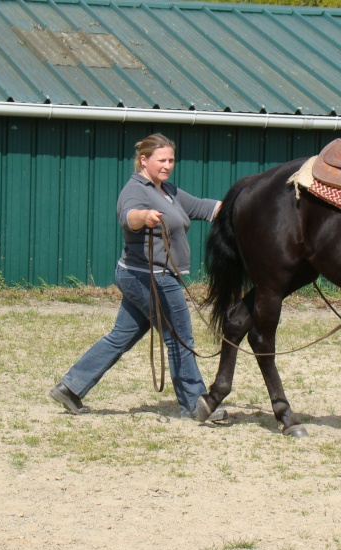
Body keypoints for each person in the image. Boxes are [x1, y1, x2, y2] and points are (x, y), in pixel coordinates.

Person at [49, 133, 226, 421]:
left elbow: (204, 208)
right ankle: (195, 404)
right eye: (161, 160)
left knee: (121, 336)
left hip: (144, 276)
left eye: (171, 159)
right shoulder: (136, 189)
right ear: (144, 160)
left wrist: (241, 203)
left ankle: (70, 387)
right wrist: (142, 217)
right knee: (179, 338)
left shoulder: (168, 191)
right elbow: (127, 216)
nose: (168, 165)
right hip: (151, 278)